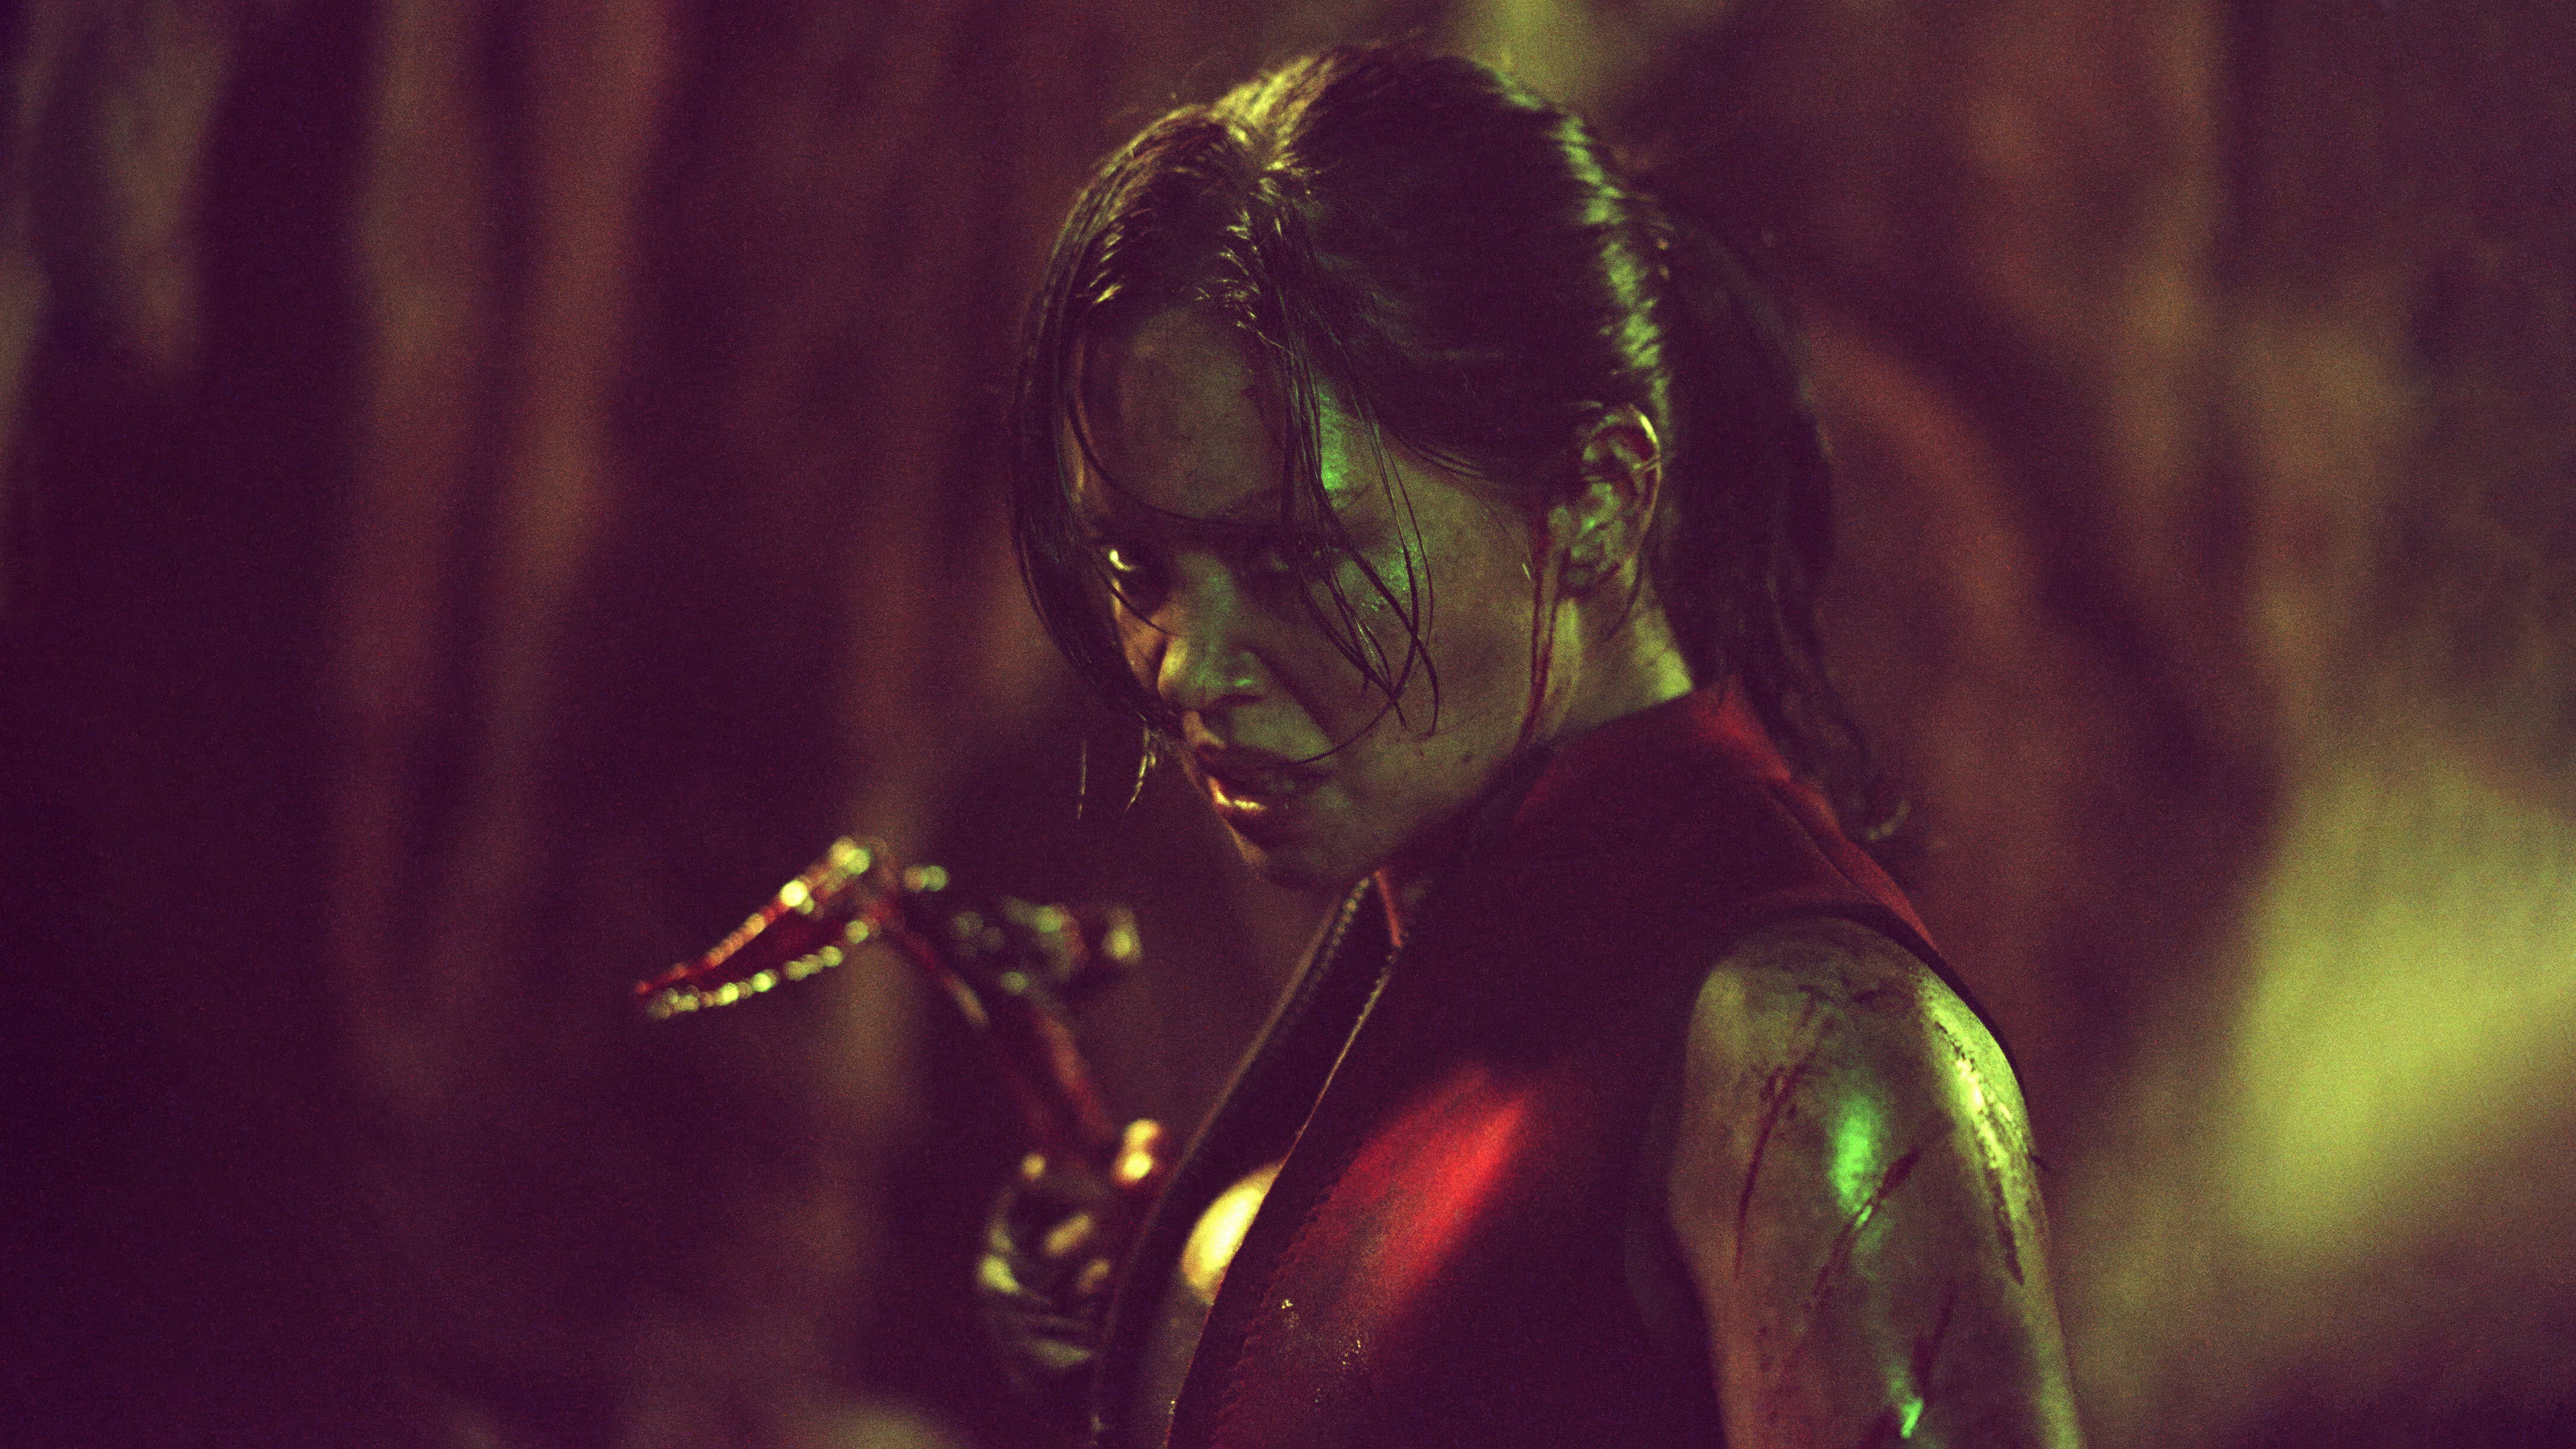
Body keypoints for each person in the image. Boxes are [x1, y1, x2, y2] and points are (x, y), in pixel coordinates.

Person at [980, 44, 2082, 1449]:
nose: (1185, 666)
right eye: (1137, 566)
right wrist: (1182, 1320)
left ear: (1599, 497)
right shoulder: (1443, 947)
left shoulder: (1811, 1049)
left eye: (1294, 557)